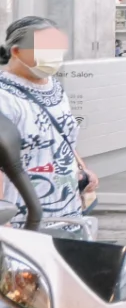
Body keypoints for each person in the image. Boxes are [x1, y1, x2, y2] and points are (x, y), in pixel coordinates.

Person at [0, 16, 97, 232]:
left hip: (67, 212)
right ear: (16, 51)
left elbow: (63, 134)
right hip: (21, 219)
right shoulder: (4, 97)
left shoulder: (55, 88)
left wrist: (81, 168)